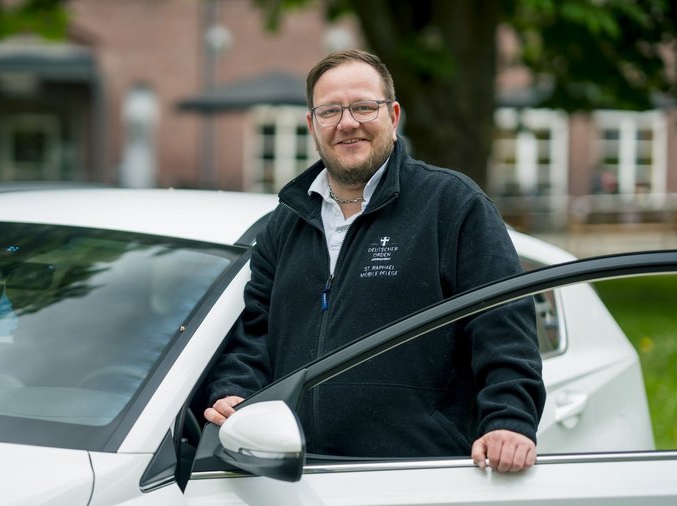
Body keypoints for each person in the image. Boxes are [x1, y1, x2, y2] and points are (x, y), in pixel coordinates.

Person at [205, 49, 545, 473]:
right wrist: (236, 390)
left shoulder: (452, 204)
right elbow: (254, 330)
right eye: (330, 111)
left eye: (364, 107)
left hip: (417, 474)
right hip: (296, 473)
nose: (347, 123)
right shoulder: (286, 222)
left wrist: (509, 420)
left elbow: (502, 322)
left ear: (393, 115)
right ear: (312, 124)